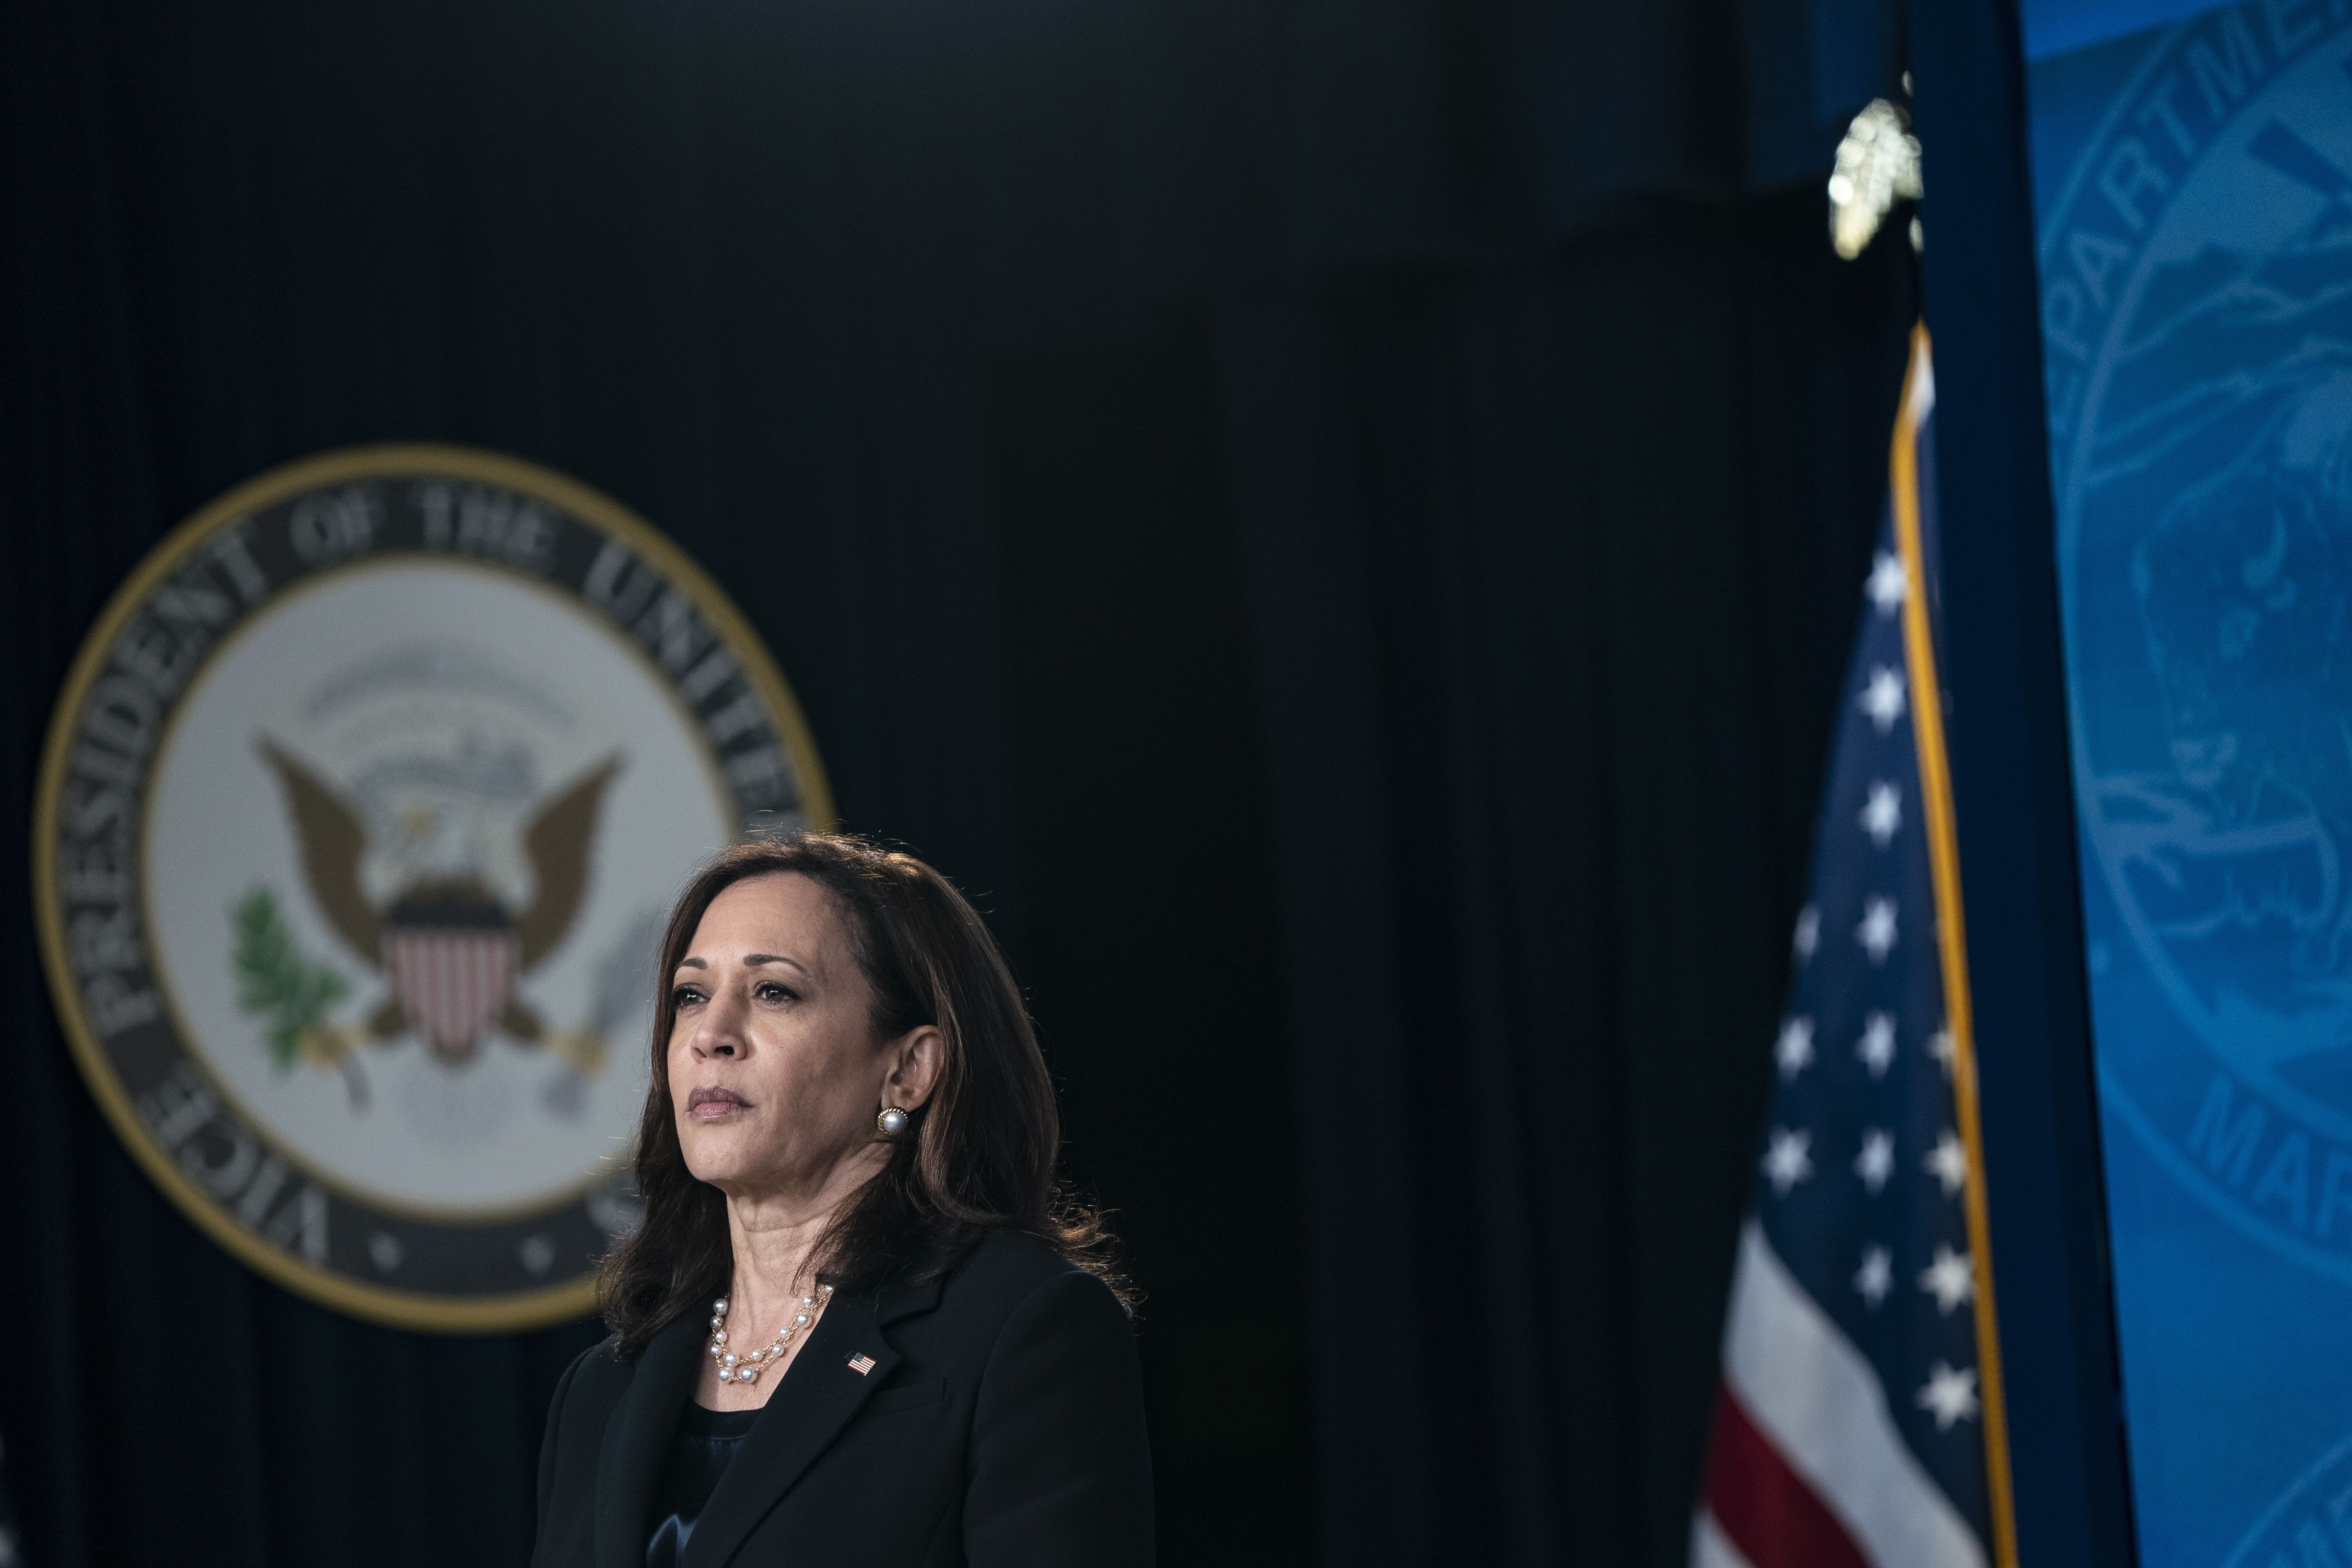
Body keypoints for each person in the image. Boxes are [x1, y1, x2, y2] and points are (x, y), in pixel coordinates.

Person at [532, 834, 1152, 1568]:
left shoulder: (1020, 1327)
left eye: (774, 992)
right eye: (691, 996)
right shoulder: (602, 1390)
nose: (712, 1036)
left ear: (908, 1069)